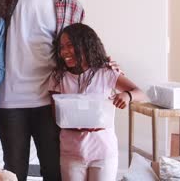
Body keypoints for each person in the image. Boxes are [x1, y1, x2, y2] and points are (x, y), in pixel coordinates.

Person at [0, 0, 85, 181]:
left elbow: (81, 53)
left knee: (54, 171)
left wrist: (108, 68)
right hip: (8, 100)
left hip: (50, 102)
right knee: (14, 171)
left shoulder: (73, 6)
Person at [49, 23, 146, 181]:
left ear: (86, 45)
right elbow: (57, 116)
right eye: (61, 47)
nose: (64, 52)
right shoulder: (58, 77)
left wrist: (127, 96)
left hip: (103, 152)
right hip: (71, 152)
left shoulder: (106, 73)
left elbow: (140, 93)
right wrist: (75, 119)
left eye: (70, 45)